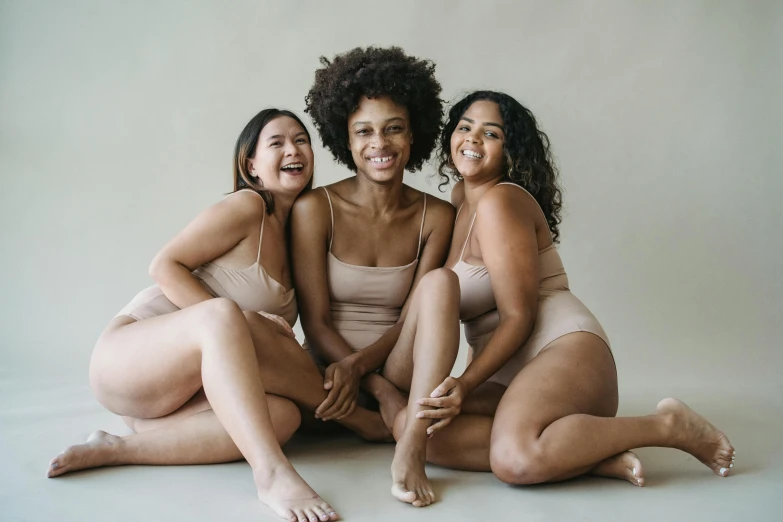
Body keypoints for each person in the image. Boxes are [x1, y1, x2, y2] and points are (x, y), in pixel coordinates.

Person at [412, 91, 736, 487]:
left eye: (491, 133)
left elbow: (519, 317)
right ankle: (589, 455)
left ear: (510, 151)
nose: (473, 139)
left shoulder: (501, 201)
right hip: (504, 373)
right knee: (416, 431)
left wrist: (463, 385)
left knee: (515, 460)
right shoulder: (461, 199)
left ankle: (666, 425)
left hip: (563, 350)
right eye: (465, 127)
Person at [46, 109, 342, 522]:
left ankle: (119, 446)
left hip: (179, 389)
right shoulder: (248, 206)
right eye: (277, 142)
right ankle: (272, 474)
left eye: (301, 140)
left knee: (282, 416)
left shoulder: (295, 234)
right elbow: (165, 265)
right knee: (222, 315)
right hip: (128, 358)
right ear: (250, 165)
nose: (293, 149)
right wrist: (240, 320)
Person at [292, 46, 457, 507]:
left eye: (393, 129)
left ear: (413, 134)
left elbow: (412, 320)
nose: (379, 145)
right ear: (345, 140)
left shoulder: (437, 216)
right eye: (363, 131)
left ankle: (411, 446)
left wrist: (384, 379)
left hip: (401, 366)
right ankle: (389, 423)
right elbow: (316, 322)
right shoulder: (314, 209)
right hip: (329, 372)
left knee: (441, 285)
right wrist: (375, 389)